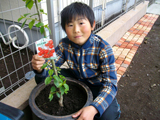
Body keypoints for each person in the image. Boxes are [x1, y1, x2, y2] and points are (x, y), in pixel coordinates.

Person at [32, 2, 120, 120]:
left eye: (81, 23)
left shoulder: (103, 49)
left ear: (92, 24)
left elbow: (111, 84)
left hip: (96, 85)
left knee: (109, 116)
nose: (76, 30)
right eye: (70, 25)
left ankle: (110, 109)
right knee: (40, 77)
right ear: (64, 29)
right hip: (75, 79)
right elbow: (51, 65)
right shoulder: (64, 44)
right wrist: (40, 67)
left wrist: (94, 107)